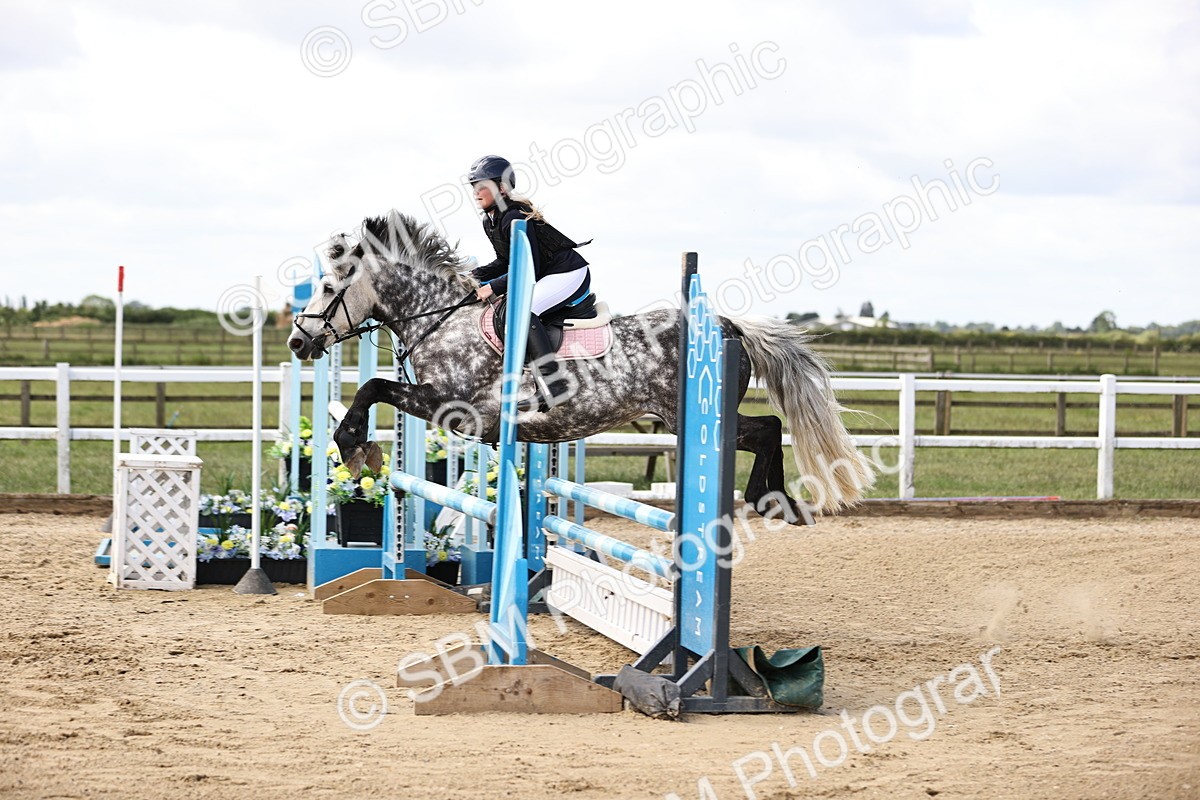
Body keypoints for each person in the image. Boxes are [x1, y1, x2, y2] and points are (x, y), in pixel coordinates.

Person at [467, 154, 593, 412]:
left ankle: (554, 385)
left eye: (482, 186)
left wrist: (492, 287)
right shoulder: (490, 220)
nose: (476, 192)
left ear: (501, 188)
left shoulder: (514, 217)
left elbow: (529, 269)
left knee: (522, 311)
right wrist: (470, 276)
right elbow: (504, 261)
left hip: (567, 274)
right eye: (473, 187)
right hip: (547, 274)